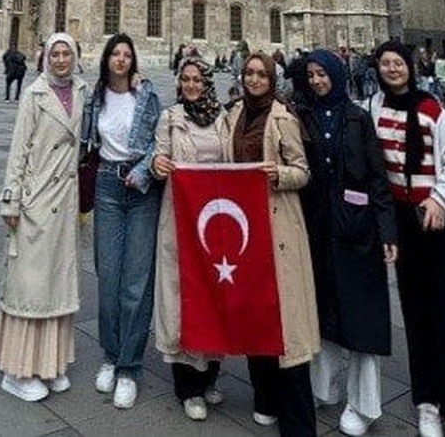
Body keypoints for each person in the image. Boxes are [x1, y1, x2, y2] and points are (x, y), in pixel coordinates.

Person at [366, 40, 445, 437]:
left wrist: (439, 199)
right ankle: (428, 401)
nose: (392, 69)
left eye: (398, 63)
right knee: (417, 315)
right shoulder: (373, 108)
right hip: (404, 229)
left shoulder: (432, 109)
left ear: (409, 66)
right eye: (385, 63)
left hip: (440, 228)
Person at [292, 50, 397, 436]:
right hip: (318, 229)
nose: (318, 81)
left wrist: (387, 231)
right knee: (323, 308)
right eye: (313, 75)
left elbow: (377, 178)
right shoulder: (301, 116)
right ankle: (325, 387)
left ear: (337, 75)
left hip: (358, 231)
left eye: (324, 74)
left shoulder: (358, 118)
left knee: (362, 316)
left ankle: (365, 404)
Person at [215, 52, 319, 436]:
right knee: (256, 313)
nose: (255, 79)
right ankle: (265, 397)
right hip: (245, 232)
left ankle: (297, 420)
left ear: (272, 79)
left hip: (278, 229)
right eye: (249, 73)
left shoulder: (284, 117)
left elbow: (302, 171)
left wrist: (279, 175)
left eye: (261, 74)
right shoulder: (233, 114)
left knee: (288, 324)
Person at [0, 33, 86, 402]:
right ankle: (16, 371)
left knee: (56, 284)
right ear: (45, 57)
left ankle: (50, 364)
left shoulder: (81, 90)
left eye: (67, 54)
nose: (61, 59)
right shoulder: (33, 94)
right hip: (35, 199)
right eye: (55, 54)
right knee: (29, 287)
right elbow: (19, 150)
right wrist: (11, 200)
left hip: (64, 200)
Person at [82, 33, 162, 409]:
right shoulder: (95, 96)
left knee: (137, 282)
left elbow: (159, 142)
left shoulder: (146, 94)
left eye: (126, 54)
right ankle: (110, 357)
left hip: (141, 189)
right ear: (106, 59)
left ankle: (129, 367)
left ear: (133, 60)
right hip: (107, 188)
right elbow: (84, 145)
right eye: (115, 53)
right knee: (109, 276)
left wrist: (145, 170)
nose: (120, 59)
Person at [148, 56, 228, 421]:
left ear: (207, 82)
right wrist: (156, 165)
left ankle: (209, 376)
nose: (192, 85)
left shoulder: (223, 118)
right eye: (186, 80)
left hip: (216, 226)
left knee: (215, 300)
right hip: (180, 221)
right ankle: (188, 388)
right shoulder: (171, 118)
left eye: (197, 79)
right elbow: (158, 157)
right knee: (182, 300)